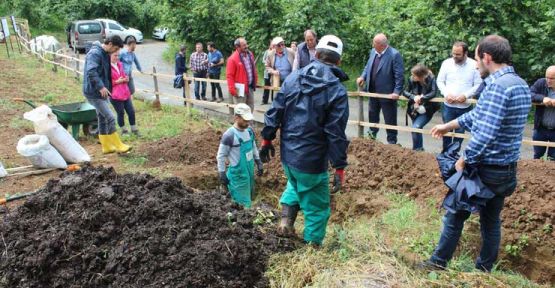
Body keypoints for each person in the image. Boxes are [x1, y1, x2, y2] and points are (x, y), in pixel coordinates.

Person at [421, 35, 531, 272]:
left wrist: (464, 158)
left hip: (484, 169)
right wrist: (448, 125)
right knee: (490, 222)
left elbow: (485, 133)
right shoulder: (519, 84)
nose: (475, 64)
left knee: (455, 215)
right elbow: (477, 115)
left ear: (487, 57)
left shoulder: (496, 88)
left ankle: (437, 264)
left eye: (477, 59)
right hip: (506, 170)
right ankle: (484, 269)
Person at [260, 35, 349, 246]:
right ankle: (311, 250)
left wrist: (266, 140)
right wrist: (339, 167)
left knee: (296, 183)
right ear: (338, 62)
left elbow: (275, 110)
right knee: (317, 207)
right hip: (312, 161)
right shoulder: (337, 91)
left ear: (316, 54)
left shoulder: (293, 78)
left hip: (288, 156)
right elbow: (335, 133)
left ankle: (285, 221)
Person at [82, 35, 131, 154]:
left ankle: (106, 146)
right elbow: (91, 71)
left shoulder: (104, 53)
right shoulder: (95, 53)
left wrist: (107, 87)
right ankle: (118, 144)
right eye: (115, 49)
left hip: (102, 90)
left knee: (102, 117)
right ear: (109, 44)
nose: (116, 52)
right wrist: (101, 86)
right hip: (94, 91)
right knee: (110, 117)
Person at [357, 33, 404, 144]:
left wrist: (397, 91)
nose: (372, 45)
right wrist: (362, 76)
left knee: (390, 119)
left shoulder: (394, 55)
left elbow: (399, 75)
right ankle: (371, 139)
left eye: (374, 43)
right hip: (372, 92)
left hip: (387, 94)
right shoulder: (373, 52)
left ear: (381, 45)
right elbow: (368, 66)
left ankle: (392, 142)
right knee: (372, 116)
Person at [436, 41, 483, 152]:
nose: (454, 57)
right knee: (446, 130)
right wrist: (446, 94)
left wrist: (466, 95)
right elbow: (440, 81)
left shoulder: (473, 65)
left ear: (465, 53)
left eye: (458, 54)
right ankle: (445, 153)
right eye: (453, 53)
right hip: (448, 105)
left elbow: (478, 84)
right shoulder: (446, 63)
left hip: (464, 106)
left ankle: (454, 154)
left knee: (460, 132)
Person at [217, 103, 264, 208]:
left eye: (249, 120)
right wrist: (222, 174)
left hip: (249, 172)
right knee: (242, 204)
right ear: (236, 117)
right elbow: (221, 156)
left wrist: (258, 161)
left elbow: (253, 147)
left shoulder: (249, 131)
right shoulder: (229, 135)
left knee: (249, 197)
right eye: (245, 120)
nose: (248, 122)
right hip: (238, 176)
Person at [402, 64, 439, 151]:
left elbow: (433, 92)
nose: (412, 76)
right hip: (414, 109)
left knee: (416, 128)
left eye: (414, 75)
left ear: (420, 75)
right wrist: (413, 97)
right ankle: (419, 150)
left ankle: (416, 150)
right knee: (417, 129)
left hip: (427, 109)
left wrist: (421, 99)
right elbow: (404, 91)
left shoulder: (431, 78)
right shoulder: (411, 79)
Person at [109, 51, 138, 136]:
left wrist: (126, 78)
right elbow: (107, 82)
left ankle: (134, 129)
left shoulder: (120, 64)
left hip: (125, 92)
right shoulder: (107, 67)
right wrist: (118, 81)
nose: (117, 57)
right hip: (115, 95)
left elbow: (123, 74)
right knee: (121, 113)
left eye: (118, 55)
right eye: (115, 55)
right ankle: (124, 131)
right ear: (109, 56)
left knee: (131, 111)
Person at [530, 65, 555, 160]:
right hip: (541, 129)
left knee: (553, 159)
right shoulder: (541, 83)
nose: (548, 80)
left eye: (552, 78)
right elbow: (529, 93)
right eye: (547, 77)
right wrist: (543, 98)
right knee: (537, 157)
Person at [226, 37, 258, 112]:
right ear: (237, 47)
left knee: (250, 108)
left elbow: (253, 68)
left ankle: (249, 123)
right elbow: (229, 76)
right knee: (241, 110)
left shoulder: (250, 54)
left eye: (246, 44)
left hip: (249, 87)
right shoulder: (232, 59)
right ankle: (239, 124)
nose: (246, 46)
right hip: (240, 90)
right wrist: (233, 90)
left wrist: (255, 80)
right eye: (244, 45)